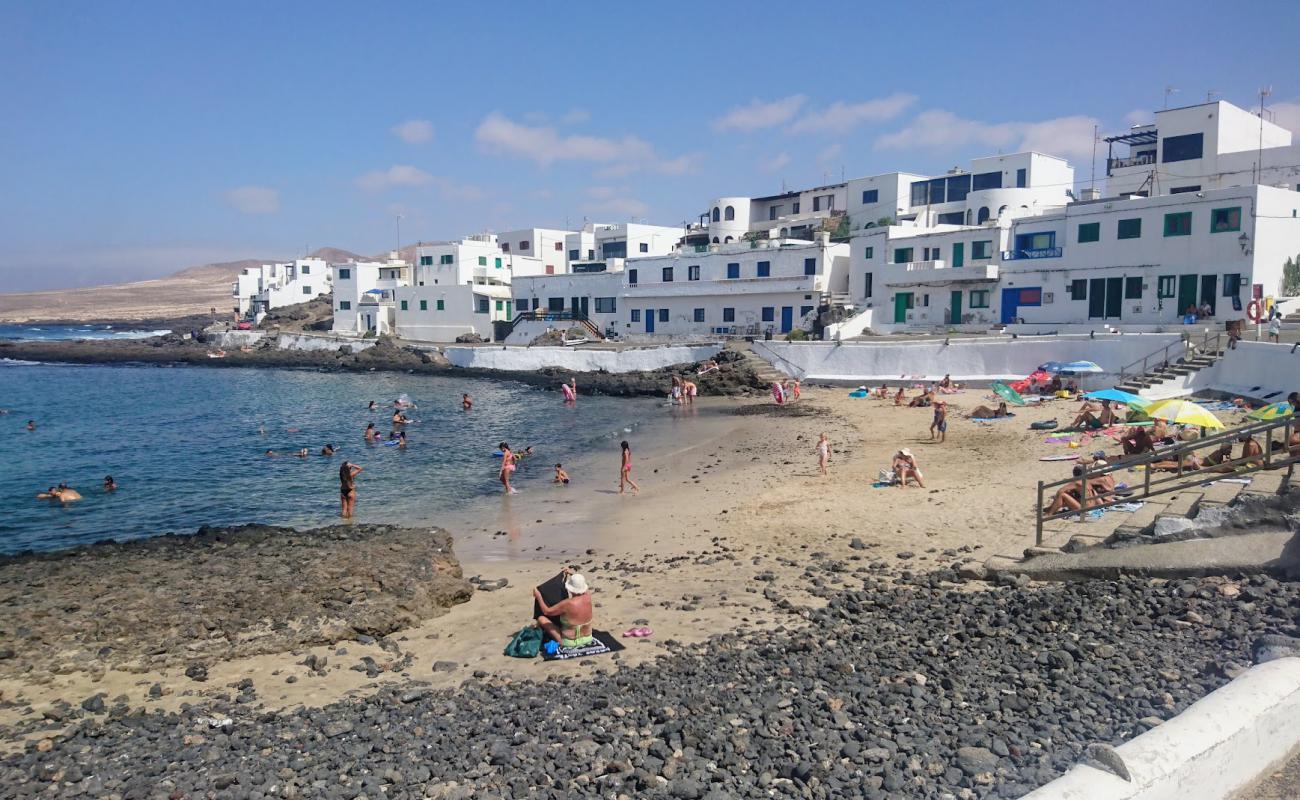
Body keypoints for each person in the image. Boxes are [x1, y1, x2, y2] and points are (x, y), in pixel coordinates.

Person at [533, 570, 594, 649]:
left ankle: (560, 640)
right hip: (587, 639)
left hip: (569, 642)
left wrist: (538, 596)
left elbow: (546, 611)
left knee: (541, 618)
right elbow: (583, 589)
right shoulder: (588, 596)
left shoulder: (567, 604)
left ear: (570, 589)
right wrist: (573, 575)